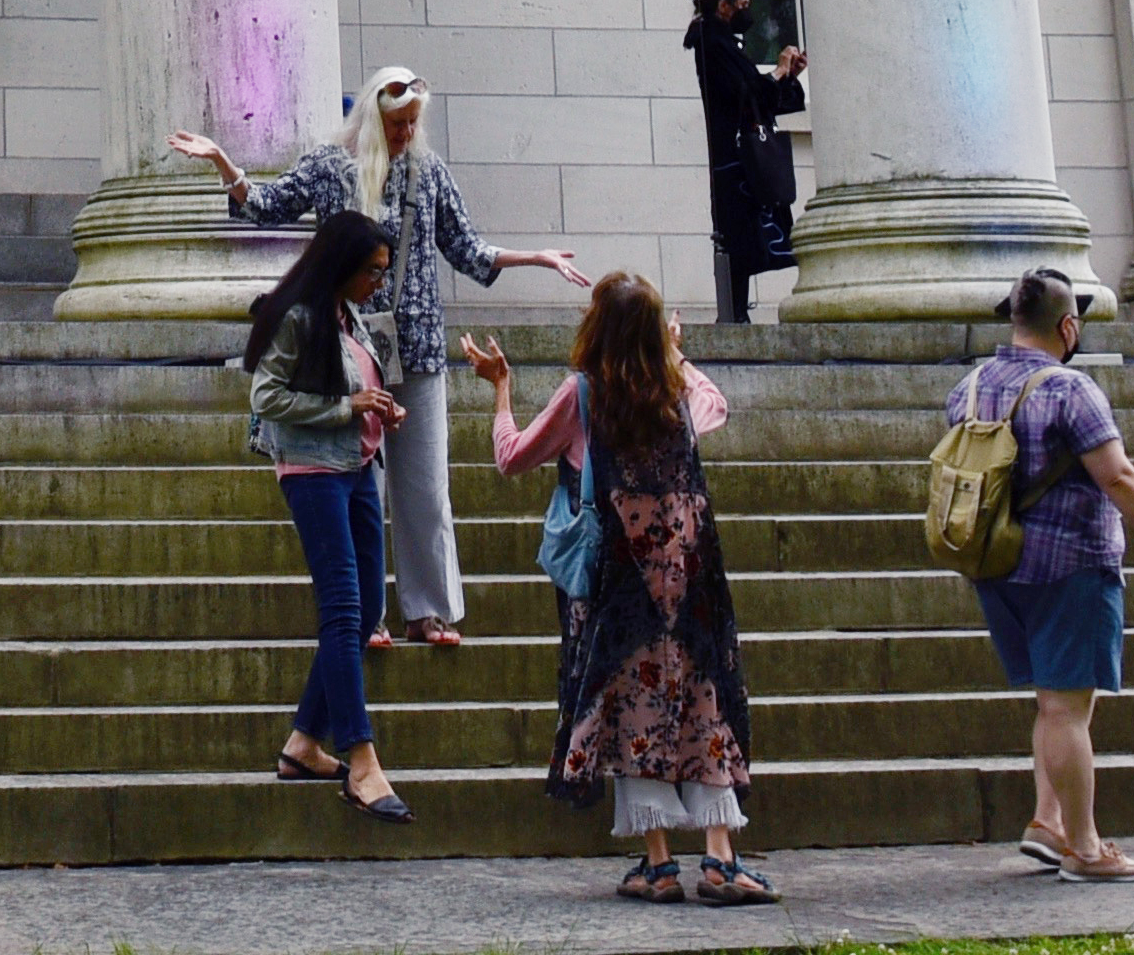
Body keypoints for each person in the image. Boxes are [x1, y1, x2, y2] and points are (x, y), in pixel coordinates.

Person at [169, 69, 583, 647]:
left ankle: (429, 609)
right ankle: (369, 615)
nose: (406, 133)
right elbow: (267, 206)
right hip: (347, 349)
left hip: (417, 348)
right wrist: (223, 162)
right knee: (362, 483)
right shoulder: (329, 167)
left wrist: (533, 258)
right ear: (372, 118)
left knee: (425, 483)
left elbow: (467, 247)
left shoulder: (428, 172)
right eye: (396, 124)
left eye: (413, 123)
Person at [476, 274, 765, 903]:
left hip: (617, 591)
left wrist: (500, 391)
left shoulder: (582, 394)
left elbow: (512, 456)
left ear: (596, 325)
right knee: (703, 702)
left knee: (632, 710)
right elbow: (717, 404)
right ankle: (720, 858)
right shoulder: (678, 387)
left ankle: (658, 865)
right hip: (690, 588)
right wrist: (678, 353)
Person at [958, 268, 1134, 884]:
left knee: (1051, 703)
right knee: (1068, 711)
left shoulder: (971, 386)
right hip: (1070, 565)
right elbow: (1117, 477)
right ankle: (1087, 849)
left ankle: (1048, 822)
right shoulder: (1071, 389)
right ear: (1068, 327)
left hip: (997, 564)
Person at [236, 210, 411, 821]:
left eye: (382, 273)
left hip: (359, 469)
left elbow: (350, 383)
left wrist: (375, 407)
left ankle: (303, 744)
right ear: (341, 263)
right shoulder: (297, 315)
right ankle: (361, 761)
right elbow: (266, 397)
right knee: (341, 609)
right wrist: (347, 406)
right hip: (314, 472)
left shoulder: (347, 312)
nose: (377, 283)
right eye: (371, 271)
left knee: (365, 611)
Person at [686, 0, 806, 325]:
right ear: (724, 6)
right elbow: (741, 96)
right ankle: (735, 313)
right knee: (739, 237)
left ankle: (738, 313)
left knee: (750, 236)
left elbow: (756, 97)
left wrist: (788, 77)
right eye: (743, 6)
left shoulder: (727, 46)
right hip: (733, 160)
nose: (747, 13)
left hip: (742, 160)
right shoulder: (711, 44)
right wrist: (778, 72)